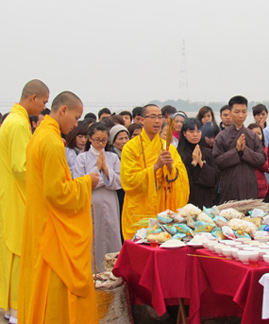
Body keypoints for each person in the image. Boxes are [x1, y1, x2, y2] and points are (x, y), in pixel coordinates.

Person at [19, 91, 100, 324]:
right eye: (76, 118)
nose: (76, 124)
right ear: (63, 111)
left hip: (39, 220)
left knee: (40, 285)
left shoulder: (40, 135)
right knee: (55, 292)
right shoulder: (52, 141)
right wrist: (87, 182)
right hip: (52, 228)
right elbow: (57, 193)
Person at [0, 80, 49, 324]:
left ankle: (11, 308)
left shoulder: (12, 120)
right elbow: (21, 167)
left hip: (10, 193)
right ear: (32, 97)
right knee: (20, 250)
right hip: (18, 194)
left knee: (11, 251)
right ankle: (18, 310)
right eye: (43, 102)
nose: (43, 107)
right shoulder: (18, 123)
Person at [120, 104, 189, 239]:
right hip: (140, 207)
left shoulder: (167, 147)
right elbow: (128, 180)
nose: (157, 121)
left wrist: (169, 167)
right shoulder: (130, 148)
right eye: (152, 117)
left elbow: (181, 178)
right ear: (141, 120)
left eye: (159, 117)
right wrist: (156, 166)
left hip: (163, 206)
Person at [74, 122, 122, 272]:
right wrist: (98, 168)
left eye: (104, 140)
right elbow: (80, 181)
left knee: (112, 233)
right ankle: (94, 270)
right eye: (97, 140)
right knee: (95, 237)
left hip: (110, 200)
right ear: (90, 139)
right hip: (91, 201)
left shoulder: (112, 157)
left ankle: (114, 269)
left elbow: (119, 182)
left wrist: (106, 170)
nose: (100, 144)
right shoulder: (82, 158)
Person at [213, 95, 266, 202]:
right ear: (231, 112)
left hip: (249, 185)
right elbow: (218, 161)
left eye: (244, 111)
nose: (241, 115)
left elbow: (261, 160)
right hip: (230, 186)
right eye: (237, 112)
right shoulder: (222, 136)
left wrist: (244, 151)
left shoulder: (252, 136)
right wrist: (236, 151)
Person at [177, 118, 219, 208]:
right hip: (186, 198)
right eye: (191, 132)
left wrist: (200, 162)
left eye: (198, 131)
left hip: (205, 198)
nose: (195, 135)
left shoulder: (208, 153)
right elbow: (179, 178)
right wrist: (193, 163)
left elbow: (215, 179)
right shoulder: (178, 154)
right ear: (184, 133)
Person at [248, 123, 269, 198]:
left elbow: (268, 169)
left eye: (259, 133)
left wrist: (256, 158)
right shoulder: (243, 150)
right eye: (253, 133)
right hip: (246, 186)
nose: (256, 136)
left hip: (261, 187)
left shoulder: (265, 150)